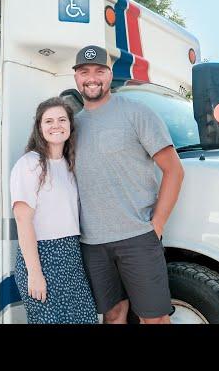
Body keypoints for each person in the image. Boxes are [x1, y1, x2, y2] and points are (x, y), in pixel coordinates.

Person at [72, 45, 185, 324]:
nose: (92, 78)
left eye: (100, 71)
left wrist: (155, 226)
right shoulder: (72, 126)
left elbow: (174, 171)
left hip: (137, 239)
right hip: (92, 243)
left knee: (154, 318)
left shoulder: (136, 112)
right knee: (112, 315)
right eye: (84, 72)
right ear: (76, 77)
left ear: (110, 75)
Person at [10, 96, 98, 324]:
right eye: (48, 121)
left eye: (62, 119)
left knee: (84, 318)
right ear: (39, 127)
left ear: (70, 125)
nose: (56, 125)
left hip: (71, 256)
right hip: (43, 256)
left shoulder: (70, 165)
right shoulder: (30, 163)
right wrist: (35, 273)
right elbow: (22, 220)